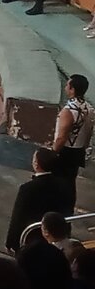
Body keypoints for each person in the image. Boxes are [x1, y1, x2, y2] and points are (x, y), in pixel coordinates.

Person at [52, 73, 92, 212]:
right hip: (78, 150)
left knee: (58, 184)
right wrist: (84, 148)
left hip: (66, 151)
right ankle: (66, 212)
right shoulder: (89, 108)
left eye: (67, 85)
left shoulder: (69, 111)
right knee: (70, 184)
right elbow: (89, 132)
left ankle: (56, 213)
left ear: (72, 89)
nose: (65, 88)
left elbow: (61, 137)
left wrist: (52, 153)